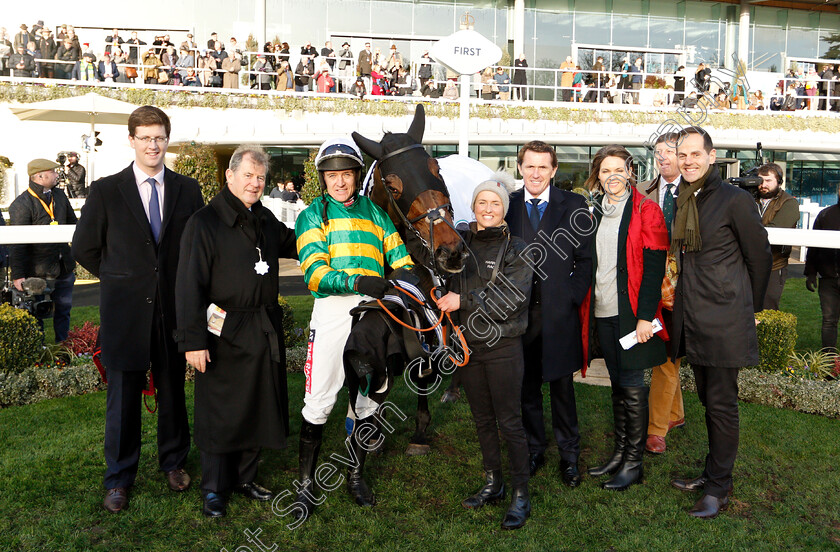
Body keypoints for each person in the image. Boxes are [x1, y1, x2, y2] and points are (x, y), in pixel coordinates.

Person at [72, 106, 204, 514]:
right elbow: (84, 248)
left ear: (167, 139)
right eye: (145, 137)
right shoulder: (106, 190)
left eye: (160, 137)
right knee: (123, 400)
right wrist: (120, 277)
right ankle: (118, 478)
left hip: (172, 312)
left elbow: (195, 249)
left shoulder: (188, 189)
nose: (153, 144)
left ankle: (174, 462)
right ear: (131, 140)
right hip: (125, 314)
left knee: (172, 393)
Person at [292, 137, 413, 521]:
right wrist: (360, 283)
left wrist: (404, 281)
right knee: (320, 400)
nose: (340, 183)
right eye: (332, 176)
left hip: (373, 314)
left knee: (366, 398)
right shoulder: (311, 216)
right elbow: (315, 273)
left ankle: (355, 474)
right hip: (333, 312)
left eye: (346, 175)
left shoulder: (377, 214)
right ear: (323, 179)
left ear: (357, 175)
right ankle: (305, 486)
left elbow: (401, 259)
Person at [175, 146, 297, 517]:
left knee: (257, 402)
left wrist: (329, 223)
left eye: (260, 177)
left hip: (261, 328)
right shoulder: (204, 222)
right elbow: (188, 285)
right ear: (229, 177)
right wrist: (193, 341)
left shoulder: (264, 218)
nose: (255, 183)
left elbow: (293, 243)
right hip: (221, 331)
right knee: (221, 409)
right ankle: (214, 486)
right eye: (247, 175)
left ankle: (245, 477)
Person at [669, 126, 771, 519]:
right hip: (693, 316)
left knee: (722, 405)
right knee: (707, 401)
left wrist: (749, 308)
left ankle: (719, 488)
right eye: (683, 154)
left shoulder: (733, 199)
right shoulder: (685, 197)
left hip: (724, 316)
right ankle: (713, 473)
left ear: (712, 157)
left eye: (696, 153)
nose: (689, 160)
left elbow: (759, 257)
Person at [436, 176, 533, 529]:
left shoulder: (519, 249)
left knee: (510, 421)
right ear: (473, 208)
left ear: (504, 210)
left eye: (495, 203)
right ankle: (494, 482)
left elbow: (511, 298)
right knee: (482, 420)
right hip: (468, 348)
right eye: (482, 203)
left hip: (504, 346)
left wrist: (464, 300)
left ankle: (521, 493)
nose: (488, 209)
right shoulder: (459, 246)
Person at [505, 141, 592, 487]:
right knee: (526, 387)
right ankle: (534, 448)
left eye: (543, 167)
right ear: (520, 168)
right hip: (519, 317)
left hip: (559, 316)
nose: (536, 173)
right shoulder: (507, 205)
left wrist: (571, 297)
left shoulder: (573, 205)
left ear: (554, 170)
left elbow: (585, 260)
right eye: (530, 166)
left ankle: (570, 456)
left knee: (561, 389)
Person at [585, 144, 669, 491]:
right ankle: (620, 454)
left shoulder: (646, 210)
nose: (612, 176)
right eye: (605, 171)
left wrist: (645, 317)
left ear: (630, 172)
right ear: (598, 176)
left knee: (632, 386)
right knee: (617, 386)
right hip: (603, 310)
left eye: (618, 169)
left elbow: (653, 268)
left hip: (632, 314)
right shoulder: (594, 210)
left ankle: (633, 464)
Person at [636, 134, 686, 454]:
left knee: (667, 357)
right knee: (667, 353)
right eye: (658, 152)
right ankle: (676, 414)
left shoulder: (699, 194)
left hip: (684, 289)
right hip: (648, 285)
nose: (662, 156)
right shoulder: (642, 191)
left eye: (670, 151)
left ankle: (656, 430)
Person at [8, 158, 77, 342]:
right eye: (53, 172)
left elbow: (74, 225)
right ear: (39, 176)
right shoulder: (21, 204)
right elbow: (17, 243)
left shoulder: (60, 196)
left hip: (64, 268)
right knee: (36, 314)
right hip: (38, 271)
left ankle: (63, 349)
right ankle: (39, 355)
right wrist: (18, 275)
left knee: (64, 311)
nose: (57, 175)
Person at [756, 163, 800, 311]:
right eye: (760, 180)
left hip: (774, 266)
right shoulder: (749, 198)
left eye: (768, 180)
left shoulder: (789, 203)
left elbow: (775, 230)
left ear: (779, 182)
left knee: (768, 310)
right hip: (747, 265)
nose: (763, 185)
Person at [804, 190, 840, 353]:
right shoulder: (825, 215)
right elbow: (814, 246)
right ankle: (828, 362)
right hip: (828, 278)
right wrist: (811, 273)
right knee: (829, 321)